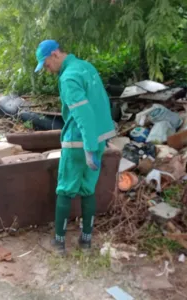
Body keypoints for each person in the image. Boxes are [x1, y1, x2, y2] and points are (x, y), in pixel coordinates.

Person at [34, 40, 116, 255]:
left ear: (54, 54)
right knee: (88, 188)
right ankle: (86, 241)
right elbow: (102, 102)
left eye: (46, 64)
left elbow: (84, 114)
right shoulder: (86, 67)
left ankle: (59, 243)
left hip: (79, 142)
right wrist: (102, 139)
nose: (47, 70)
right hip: (97, 138)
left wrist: (88, 147)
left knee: (66, 189)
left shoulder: (69, 78)